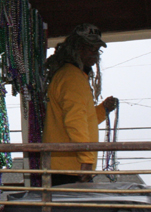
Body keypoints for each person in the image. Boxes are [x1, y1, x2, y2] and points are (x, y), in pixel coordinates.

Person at [42, 23, 118, 185]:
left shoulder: (71, 75)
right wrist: (86, 159)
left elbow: (83, 119)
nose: (95, 54)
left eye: (97, 49)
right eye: (90, 48)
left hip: (66, 167)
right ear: (76, 48)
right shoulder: (72, 77)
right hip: (70, 169)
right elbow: (75, 121)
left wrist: (103, 110)